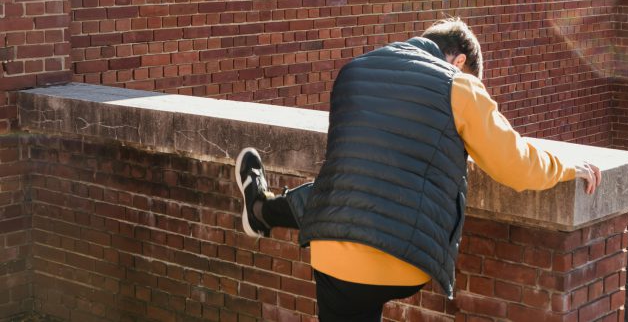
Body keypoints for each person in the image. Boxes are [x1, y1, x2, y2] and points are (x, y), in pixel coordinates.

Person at [234, 17, 601, 322]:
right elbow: (516, 165)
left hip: (332, 253)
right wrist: (568, 167)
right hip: (403, 261)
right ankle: (261, 210)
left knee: (347, 191)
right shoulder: (460, 85)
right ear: (458, 61)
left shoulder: (354, 71)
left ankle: (262, 210)